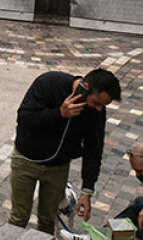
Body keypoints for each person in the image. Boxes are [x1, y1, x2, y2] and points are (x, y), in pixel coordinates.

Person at [9, 69, 121, 234]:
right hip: (27, 160)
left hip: (58, 168)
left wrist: (87, 191)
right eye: (96, 102)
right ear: (85, 87)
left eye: (102, 106)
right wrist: (59, 113)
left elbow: (94, 149)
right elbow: (25, 119)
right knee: (19, 217)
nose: (98, 109)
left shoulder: (97, 112)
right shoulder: (49, 83)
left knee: (48, 220)